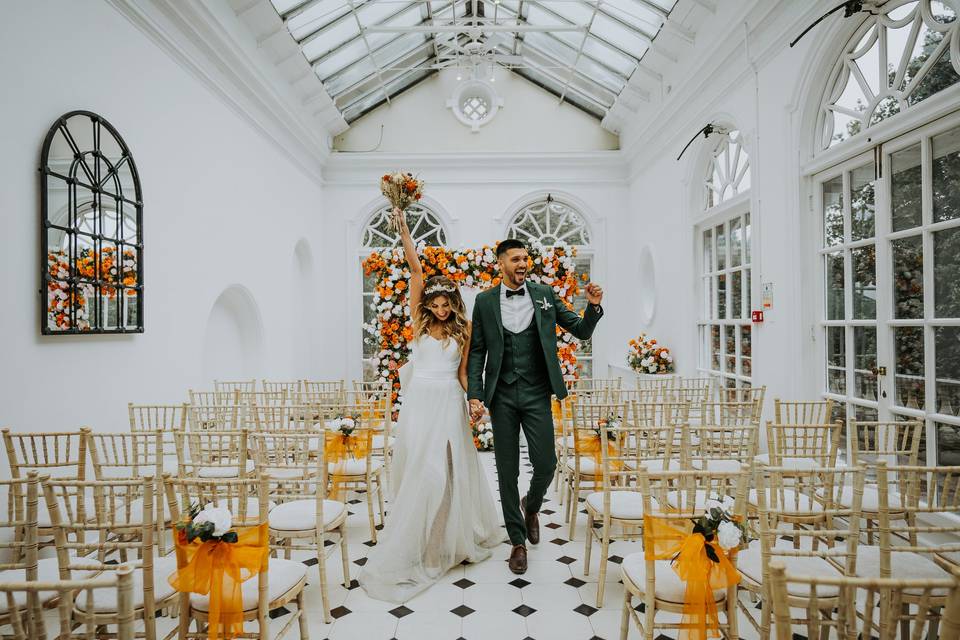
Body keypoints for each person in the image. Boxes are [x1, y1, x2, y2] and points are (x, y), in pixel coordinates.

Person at [358, 209, 502, 603]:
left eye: (445, 304)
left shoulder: (464, 329)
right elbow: (416, 273)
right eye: (435, 304)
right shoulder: (419, 324)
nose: (440, 309)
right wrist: (404, 230)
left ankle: (446, 538)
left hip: (449, 400)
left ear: (453, 303)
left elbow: (463, 373)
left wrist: (474, 401)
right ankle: (419, 538)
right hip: (420, 402)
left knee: (450, 470)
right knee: (423, 469)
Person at [467, 239, 604, 574]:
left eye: (525, 258)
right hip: (501, 394)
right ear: (501, 263)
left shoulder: (544, 295)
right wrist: (475, 393)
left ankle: (532, 505)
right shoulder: (484, 302)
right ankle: (516, 540)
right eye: (515, 259)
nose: (522, 263)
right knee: (507, 468)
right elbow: (477, 352)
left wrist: (593, 306)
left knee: (546, 462)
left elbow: (580, 330)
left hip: (537, 392)